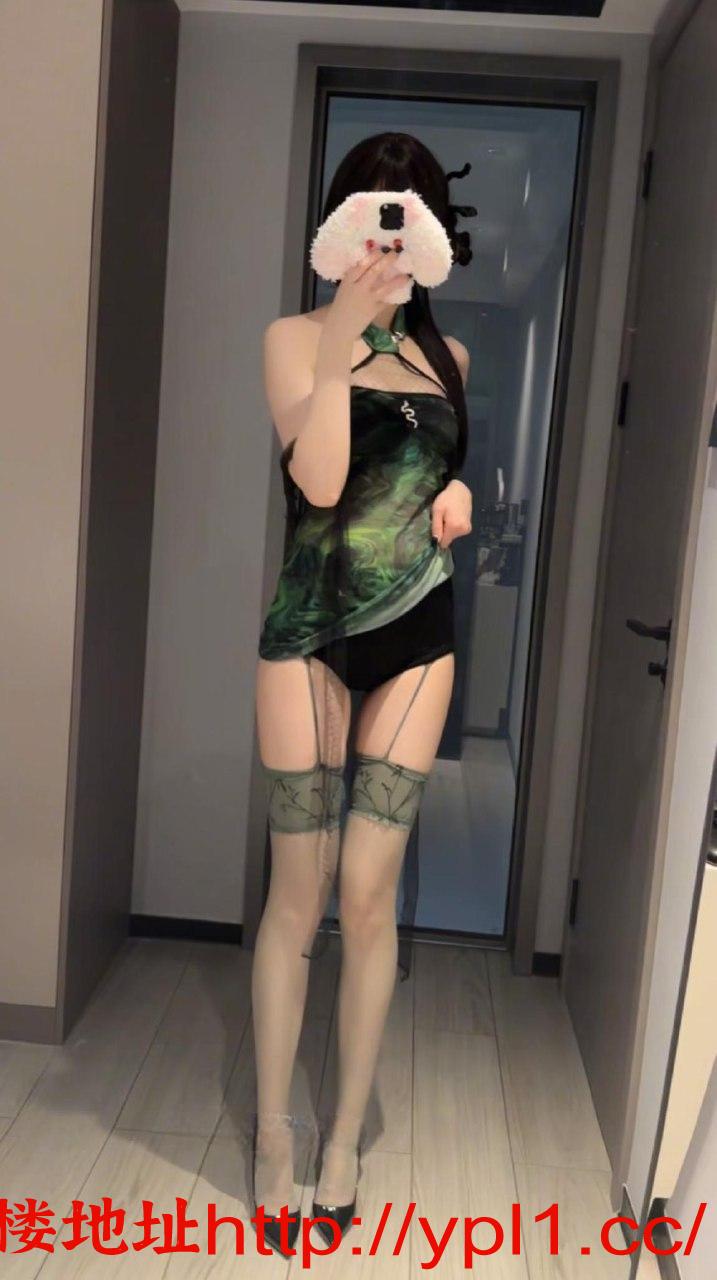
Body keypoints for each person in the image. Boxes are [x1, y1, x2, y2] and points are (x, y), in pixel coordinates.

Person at [249, 132, 474, 1256]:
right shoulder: (293, 337)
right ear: (341, 221)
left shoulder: (452, 357)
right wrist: (344, 325)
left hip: (418, 637)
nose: (391, 233)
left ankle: (341, 1144)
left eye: (410, 212)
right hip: (310, 635)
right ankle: (273, 1140)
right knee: (300, 895)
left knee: (371, 898)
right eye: (374, 208)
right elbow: (324, 478)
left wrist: (456, 488)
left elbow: (425, 471)